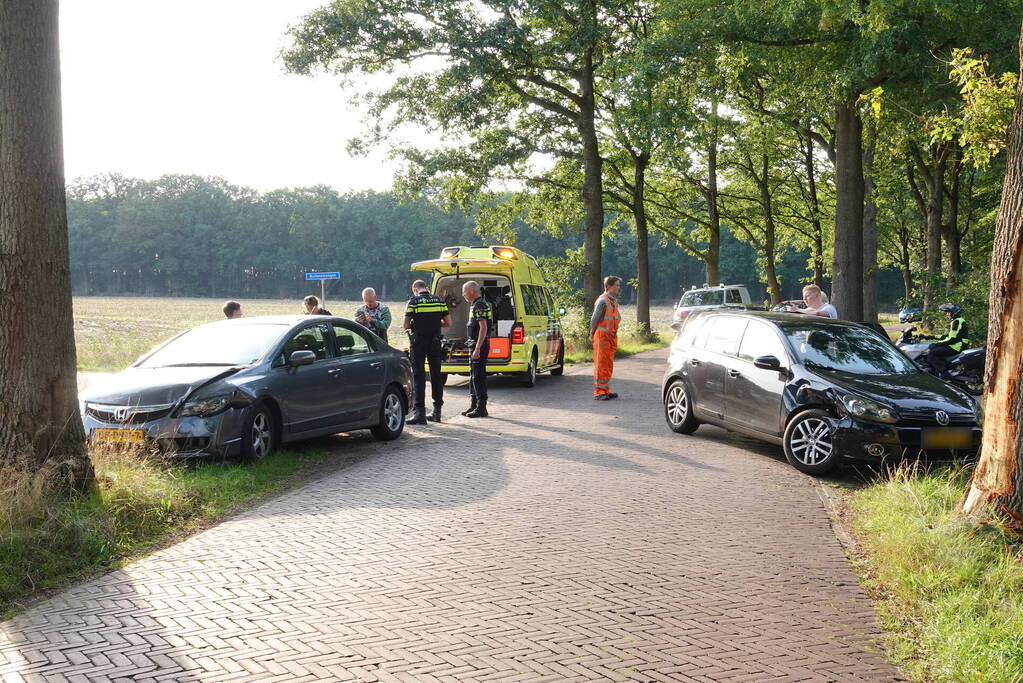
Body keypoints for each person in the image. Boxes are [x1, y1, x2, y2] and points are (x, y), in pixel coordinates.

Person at [403, 280, 451, 424]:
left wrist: (417, 323)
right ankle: (437, 412)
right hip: (435, 343)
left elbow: (406, 325)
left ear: (415, 290)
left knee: (419, 377)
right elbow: (448, 323)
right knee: (436, 376)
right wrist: (435, 323)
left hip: (419, 343)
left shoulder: (413, 302)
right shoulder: (439, 301)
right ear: (427, 288)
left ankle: (420, 414)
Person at [462, 280, 494, 418]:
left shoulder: (479, 305)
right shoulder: (476, 304)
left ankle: (481, 408)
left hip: (479, 344)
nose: (463, 294)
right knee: (473, 376)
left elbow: (483, 328)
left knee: (478, 376)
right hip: (474, 344)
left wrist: (477, 348)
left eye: (464, 291)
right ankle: (474, 404)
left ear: (471, 291)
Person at [590, 276, 622, 400]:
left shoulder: (614, 301)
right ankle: (599, 392)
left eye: (619, 285)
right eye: (616, 285)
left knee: (608, 365)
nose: (618, 288)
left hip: (611, 337)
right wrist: (592, 332)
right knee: (601, 364)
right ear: (608, 286)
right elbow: (594, 319)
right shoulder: (602, 301)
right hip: (602, 337)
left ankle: (605, 390)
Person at [921, 303, 969, 377]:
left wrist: (937, 344)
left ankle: (945, 374)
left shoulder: (957, 322)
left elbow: (951, 339)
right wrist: (930, 337)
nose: (947, 315)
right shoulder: (958, 321)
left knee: (931, 354)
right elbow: (947, 336)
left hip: (957, 347)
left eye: (948, 313)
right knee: (935, 349)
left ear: (953, 313)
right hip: (956, 345)